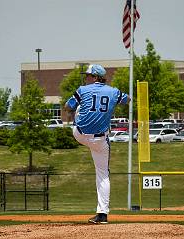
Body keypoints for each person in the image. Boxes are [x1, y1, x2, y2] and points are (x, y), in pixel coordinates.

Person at [65, 64, 130, 224]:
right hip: (100, 139)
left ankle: (101, 216)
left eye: (88, 76)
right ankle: (103, 214)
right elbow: (128, 99)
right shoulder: (113, 91)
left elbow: (67, 107)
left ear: (95, 77)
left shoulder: (82, 90)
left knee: (79, 106)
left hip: (79, 134)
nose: (85, 78)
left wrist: (77, 108)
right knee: (103, 175)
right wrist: (113, 101)